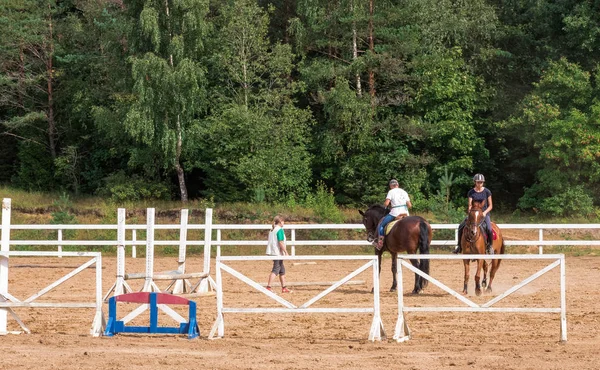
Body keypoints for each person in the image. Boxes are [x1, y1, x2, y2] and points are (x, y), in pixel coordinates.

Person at [453, 173, 494, 255]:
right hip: (473, 214)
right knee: (461, 226)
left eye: (481, 182)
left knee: (489, 228)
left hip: (483, 214)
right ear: (475, 182)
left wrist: (485, 212)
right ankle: (459, 246)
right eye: (478, 182)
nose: (480, 184)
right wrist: (469, 210)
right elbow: (470, 205)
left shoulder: (487, 192)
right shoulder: (471, 192)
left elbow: (490, 205)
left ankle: (490, 246)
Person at [376, 179, 412, 249]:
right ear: (397, 185)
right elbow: (410, 205)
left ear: (391, 186)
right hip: (405, 213)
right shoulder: (404, 192)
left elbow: (386, 203)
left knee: (381, 225)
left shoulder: (391, 192)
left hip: (395, 213)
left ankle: (380, 243)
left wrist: (386, 205)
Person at [266, 215, 292, 293]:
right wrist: (286, 252)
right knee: (276, 270)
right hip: (277, 253)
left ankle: (284, 287)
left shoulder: (272, 229)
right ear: (280, 222)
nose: (284, 223)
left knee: (282, 270)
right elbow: (280, 242)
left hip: (273, 252)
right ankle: (268, 287)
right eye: (283, 221)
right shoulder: (279, 230)